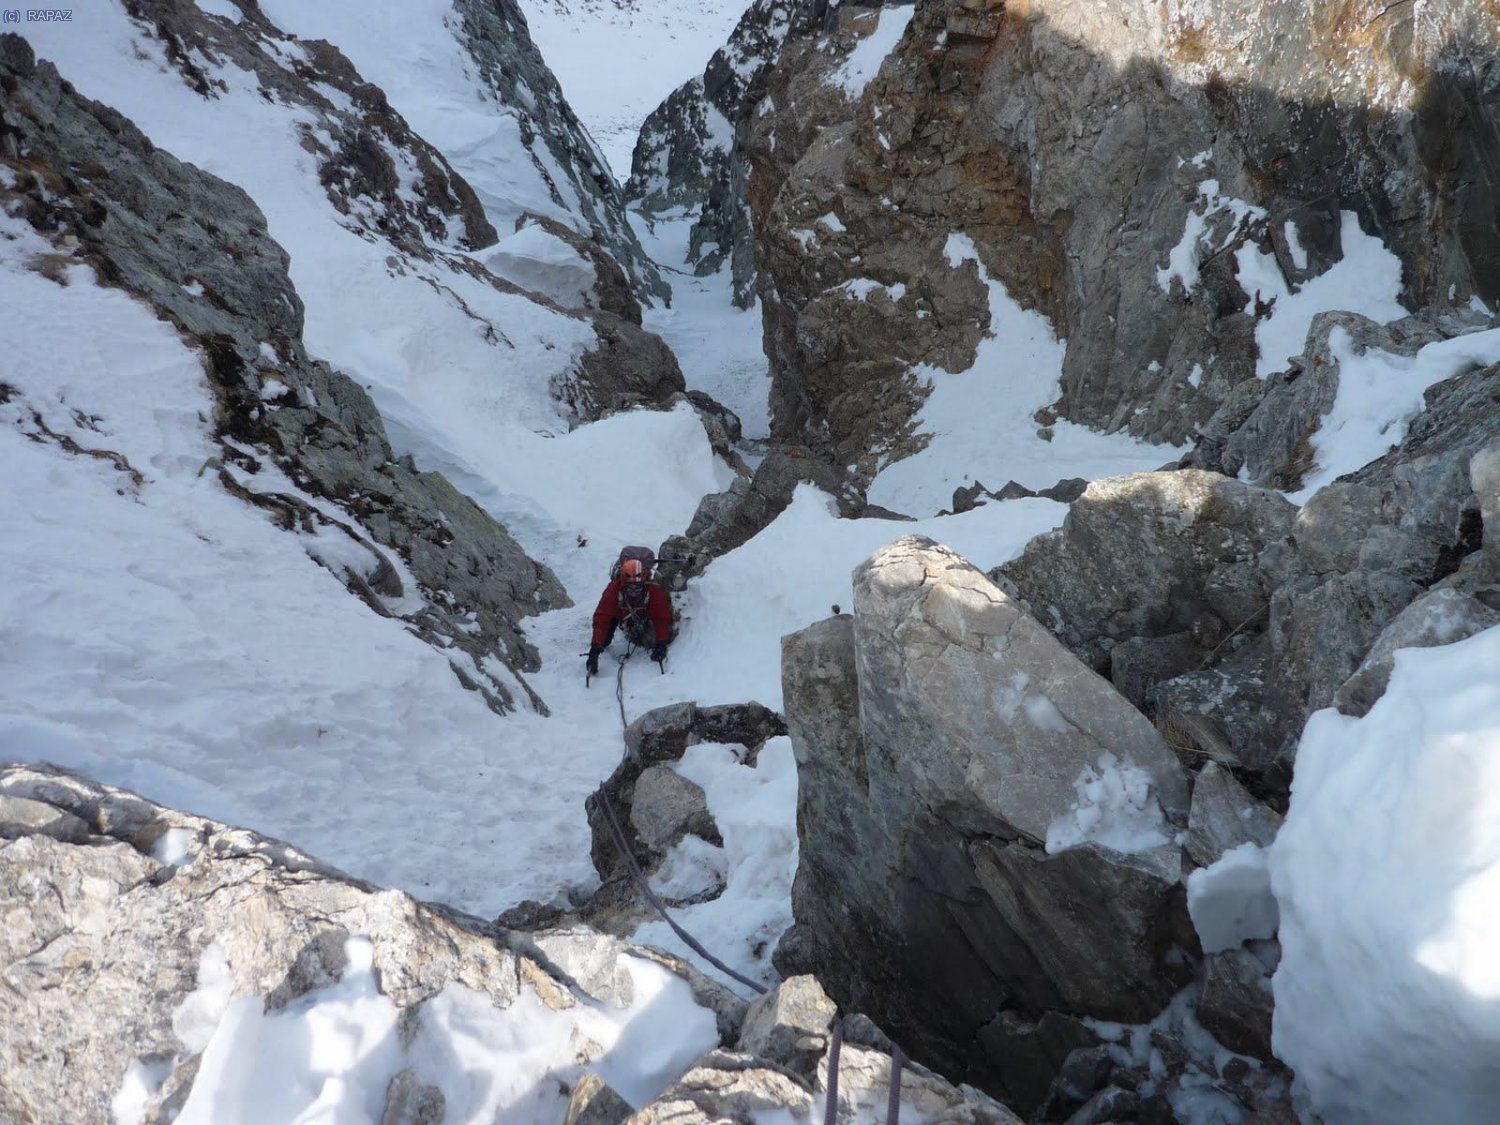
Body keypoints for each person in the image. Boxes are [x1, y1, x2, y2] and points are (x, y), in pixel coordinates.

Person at [587, 557, 672, 675]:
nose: (633, 592)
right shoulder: (613, 589)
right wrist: (595, 648)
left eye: (637, 588)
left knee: (651, 642)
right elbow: (602, 617)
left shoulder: (654, 591)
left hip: (644, 617)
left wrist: (661, 643)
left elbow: (661, 618)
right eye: (629, 588)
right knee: (604, 642)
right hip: (620, 615)